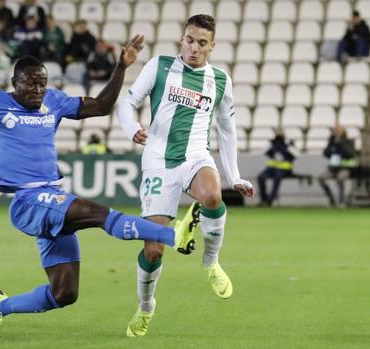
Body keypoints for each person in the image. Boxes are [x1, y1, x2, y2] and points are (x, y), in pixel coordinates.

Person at [0, 39, 200, 336]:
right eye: (30, 84)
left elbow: (101, 106)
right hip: (28, 200)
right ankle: (173, 235)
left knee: (64, 293)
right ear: (14, 83)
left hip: (51, 198)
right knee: (94, 212)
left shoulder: (54, 102)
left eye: (42, 84)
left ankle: (0, 307)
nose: (37, 90)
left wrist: (121, 66)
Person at [116, 14, 254, 337]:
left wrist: (234, 175)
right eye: (190, 40)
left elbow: (227, 129)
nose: (194, 48)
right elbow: (127, 103)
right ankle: (146, 306)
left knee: (213, 195)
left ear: (212, 46)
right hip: (157, 163)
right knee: (153, 250)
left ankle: (210, 262)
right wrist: (132, 128)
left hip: (195, 155)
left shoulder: (220, 80)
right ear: (182, 38)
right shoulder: (158, 66)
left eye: (202, 43)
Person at [318, 125, 358, 207]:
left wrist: (340, 142)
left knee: (340, 179)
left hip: (345, 168)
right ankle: (331, 199)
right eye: (335, 131)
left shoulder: (349, 141)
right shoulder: (332, 142)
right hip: (333, 168)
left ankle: (342, 200)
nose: (336, 133)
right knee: (321, 178)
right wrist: (331, 142)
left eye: (338, 131)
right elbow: (325, 154)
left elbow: (351, 154)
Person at [257, 131, 298, 206]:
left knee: (277, 177)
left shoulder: (288, 145)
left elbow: (296, 154)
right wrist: (270, 143)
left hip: (284, 170)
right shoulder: (272, 144)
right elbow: (263, 151)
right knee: (261, 177)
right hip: (271, 169)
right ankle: (264, 199)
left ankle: (271, 199)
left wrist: (290, 145)